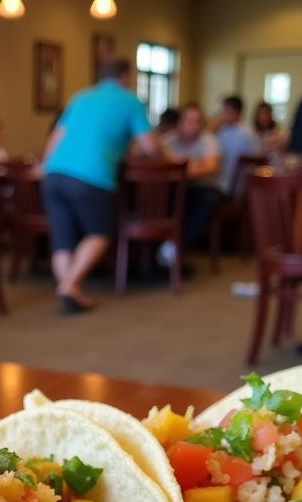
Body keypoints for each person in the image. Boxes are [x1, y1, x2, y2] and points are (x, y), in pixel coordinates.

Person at [40, 56, 158, 313]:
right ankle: (69, 286)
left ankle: (68, 289)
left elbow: (55, 138)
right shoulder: (129, 100)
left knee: (63, 239)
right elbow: (150, 146)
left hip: (53, 174)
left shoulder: (80, 97)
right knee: (99, 234)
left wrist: (44, 168)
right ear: (125, 76)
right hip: (92, 176)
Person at [159, 102, 222, 267]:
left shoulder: (208, 140)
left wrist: (179, 168)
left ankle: (175, 245)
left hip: (203, 188)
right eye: (188, 121)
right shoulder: (167, 141)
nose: (193, 126)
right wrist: (189, 166)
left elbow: (210, 167)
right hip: (175, 188)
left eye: (197, 121)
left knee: (204, 199)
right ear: (179, 123)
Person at [212, 95, 262, 195]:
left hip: (229, 187)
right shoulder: (224, 129)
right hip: (225, 184)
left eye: (225, 110)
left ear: (235, 111)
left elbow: (257, 160)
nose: (222, 114)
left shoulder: (246, 134)